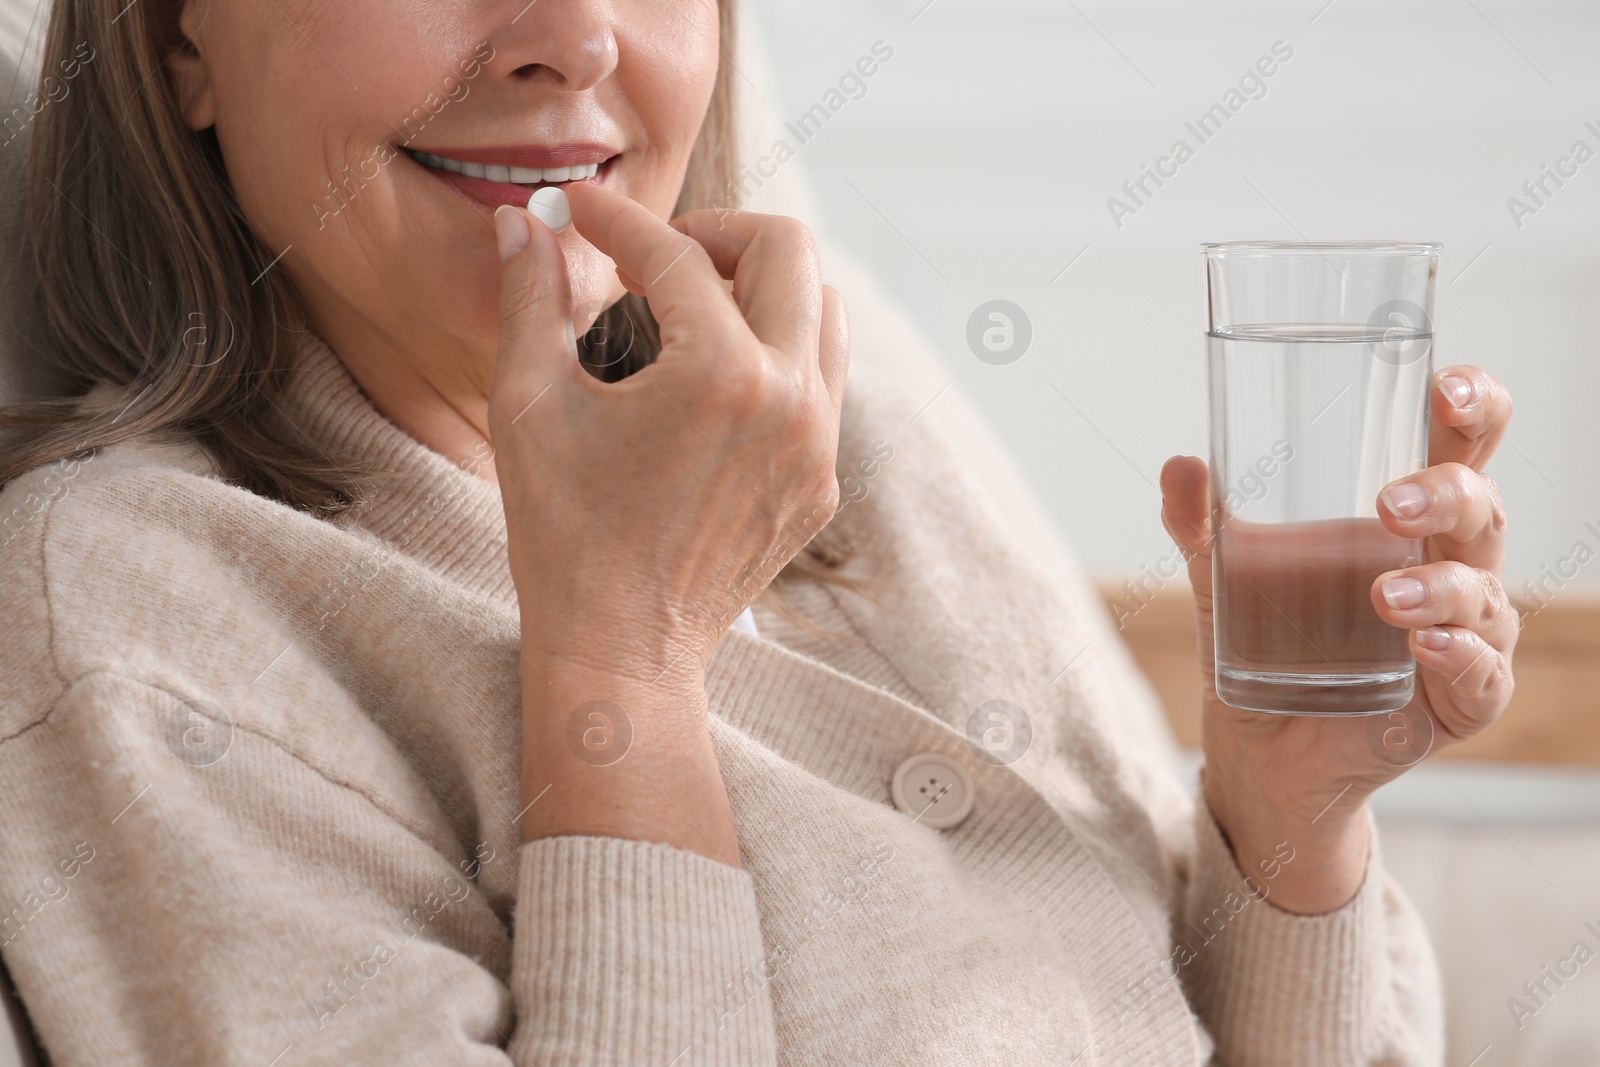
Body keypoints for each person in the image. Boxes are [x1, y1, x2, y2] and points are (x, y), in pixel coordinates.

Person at [0, 0, 1516, 1063]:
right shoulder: (132, 608)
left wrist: (1288, 827)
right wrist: (624, 656)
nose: (577, 36)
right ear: (180, 36)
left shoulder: (851, 428)